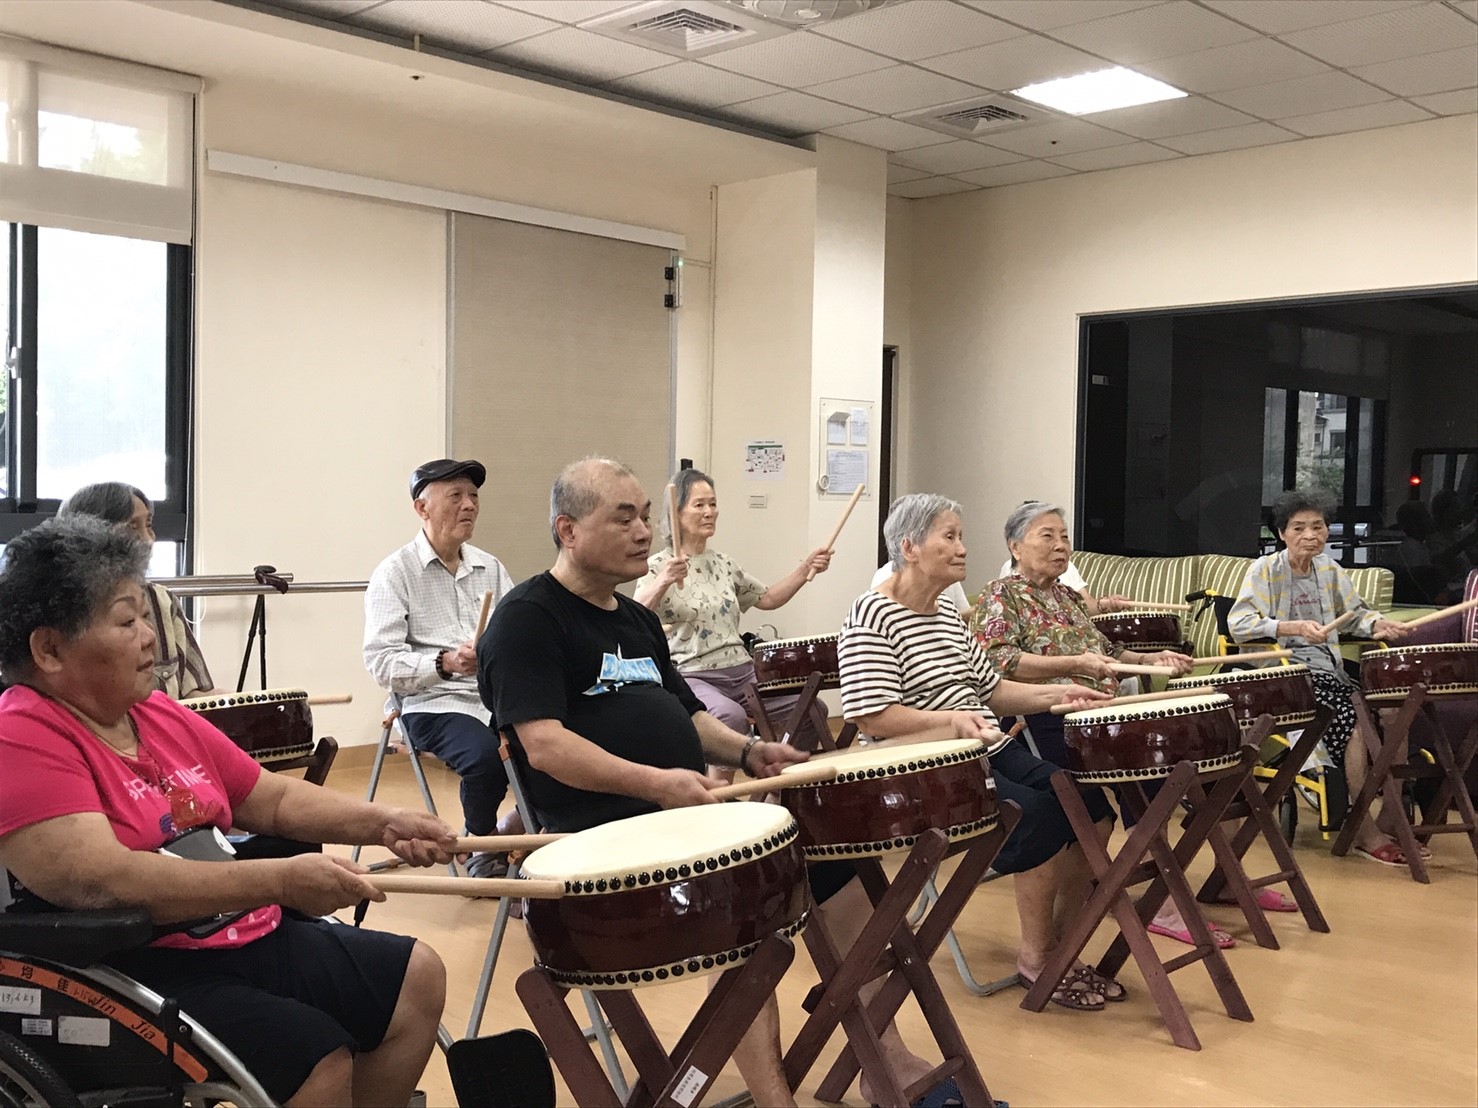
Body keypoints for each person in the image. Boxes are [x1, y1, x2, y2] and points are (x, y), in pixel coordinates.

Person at [481, 458, 962, 1108]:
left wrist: (753, 751)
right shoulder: (528, 618)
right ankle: (777, 1100)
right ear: (568, 530)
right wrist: (659, 784)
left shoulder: (635, 621)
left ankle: (885, 1058)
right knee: (747, 907)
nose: (644, 531)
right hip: (602, 850)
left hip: (684, 824)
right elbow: (544, 746)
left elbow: (689, 717)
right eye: (623, 518)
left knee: (848, 874)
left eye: (645, 515)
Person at [0, 516, 455, 1106]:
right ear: (49, 649)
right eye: (126, 621)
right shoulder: (22, 735)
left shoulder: (156, 713)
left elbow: (272, 798)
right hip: (135, 963)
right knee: (317, 1061)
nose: (150, 636)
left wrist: (385, 822)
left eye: (145, 616)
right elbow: (102, 880)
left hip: (234, 930)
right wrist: (281, 880)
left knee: (418, 978)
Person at [838, 493, 1127, 1012]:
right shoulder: (871, 614)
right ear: (910, 547)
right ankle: (1037, 958)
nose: (962, 548)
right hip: (926, 767)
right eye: (949, 537)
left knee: (1091, 808)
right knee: (1039, 815)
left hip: (984, 746)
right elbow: (872, 716)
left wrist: (1061, 694)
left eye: (961, 536)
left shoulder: (947, 614)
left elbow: (991, 690)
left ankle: (1062, 948)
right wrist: (948, 721)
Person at [975, 502, 1258, 946]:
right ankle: (1154, 900)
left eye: (1064, 536)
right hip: (1043, 716)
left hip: (1095, 712)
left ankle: (1155, 892)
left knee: (1158, 774)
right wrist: (1073, 664)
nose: (1061, 545)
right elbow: (998, 663)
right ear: (1015, 546)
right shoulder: (1000, 595)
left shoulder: (1066, 597)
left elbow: (1108, 653)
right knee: (1133, 780)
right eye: (1047, 536)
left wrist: (1153, 659)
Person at [1229, 488, 1411, 866]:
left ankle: (1389, 818)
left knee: (1397, 710)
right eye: (1299, 528)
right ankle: (1364, 832)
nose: (1310, 535)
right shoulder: (1265, 570)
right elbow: (1240, 624)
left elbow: (1357, 615)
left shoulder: (1329, 570)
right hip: (1287, 675)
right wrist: (1291, 626)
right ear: (1282, 533)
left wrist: (1378, 624)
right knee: (1354, 720)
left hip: (1331, 671)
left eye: (1318, 526)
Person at [364, 458, 515, 878]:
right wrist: (445, 662)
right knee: (486, 758)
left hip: (489, 698)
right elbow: (381, 661)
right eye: (456, 496)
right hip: (429, 703)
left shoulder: (490, 567)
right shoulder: (394, 573)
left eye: (474, 496)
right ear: (422, 508)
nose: (469, 505)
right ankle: (480, 844)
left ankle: (517, 835)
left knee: (548, 746)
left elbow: (515, 634)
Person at [634, 467, 831, 736]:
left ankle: (788, 765)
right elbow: (635, 615)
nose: (709, 512)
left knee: (812, 709)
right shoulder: (657, 566)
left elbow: (768, 598)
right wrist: (664, 580)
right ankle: (727, 767)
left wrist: (807, 567)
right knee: (729, 717)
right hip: (692, 675)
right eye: (699, 505)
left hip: (743, 672)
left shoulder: (723, 563)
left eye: (713, 504)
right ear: (676, 513)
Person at [58, 482, 215, 699]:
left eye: (149, 526)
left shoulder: (163, 601)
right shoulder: (65, 610)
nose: (148, 540)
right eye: (132, 528)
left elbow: (196, 694)